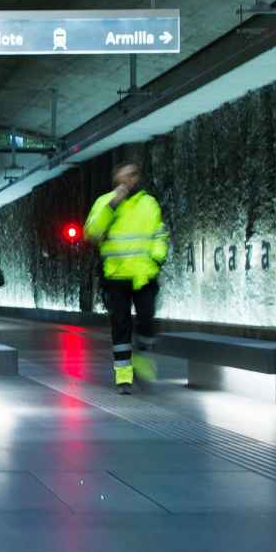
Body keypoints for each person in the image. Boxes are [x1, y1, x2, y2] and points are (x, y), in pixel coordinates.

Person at [84, 161, 169, 393]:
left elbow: (159, 234)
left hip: (144, 275)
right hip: (115, 276)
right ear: (116, 180)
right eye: (122, 177)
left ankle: (142, 354)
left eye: (131, 176)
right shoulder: (105, 202)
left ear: (136, 178)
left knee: (146, 320)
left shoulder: (148, 203)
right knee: (120, 326)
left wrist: (157, 259)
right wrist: (112, 204)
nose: (127, 181)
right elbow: (92, 232)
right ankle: (123, 376)